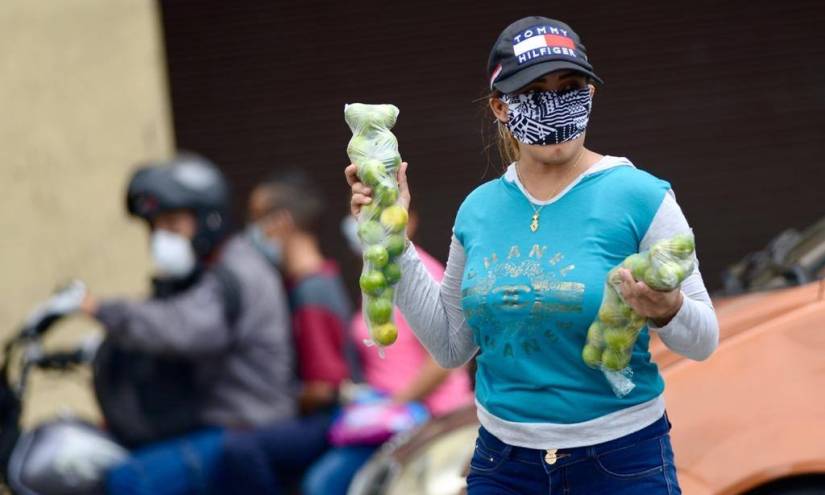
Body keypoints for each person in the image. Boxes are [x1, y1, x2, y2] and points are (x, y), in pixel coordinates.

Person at [345, 16, 719, 494]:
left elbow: (703, 340)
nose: (557, 103)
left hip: (622, 461)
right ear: (501, 107)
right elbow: (451, 346)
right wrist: (387, 234)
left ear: (591, 94)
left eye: (570, 86)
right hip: (503, 466)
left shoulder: (640, 196)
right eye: (535, 90)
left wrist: (668, 310)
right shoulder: (479, 209)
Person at [80, 153, 297, 494]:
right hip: (219, 423)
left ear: (208, 219)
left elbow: (183, 328)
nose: (161, 238)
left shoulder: (236, 271)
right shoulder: (216, 268)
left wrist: (100, 308)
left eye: (173, 224)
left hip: (247, 424)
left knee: (127, 481)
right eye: (156, 227)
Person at [301, 209, 474, 495]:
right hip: (388, 421)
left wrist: (395, 403)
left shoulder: (422, 274)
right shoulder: (375, 275)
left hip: (429, 423)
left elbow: (446, 359)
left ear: (409, 220)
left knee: (324, 483)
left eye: (377, 214)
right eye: (359, 214)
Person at [216, 170, 362, 494]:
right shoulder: (307, 282)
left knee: (240, 449)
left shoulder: (311, 291)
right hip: (321, 417)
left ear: (281, 223)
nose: (250, 232)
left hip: (331, 419)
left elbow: (324, 388)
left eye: (256, 219)